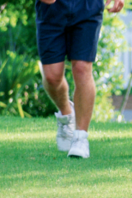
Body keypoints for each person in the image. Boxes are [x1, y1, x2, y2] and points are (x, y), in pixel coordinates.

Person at [36, 0, 124, 158]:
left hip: (87, 6)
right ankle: (66, 113)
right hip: (52, 9)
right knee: (52, 77)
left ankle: (80, 138)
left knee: (82, 68)